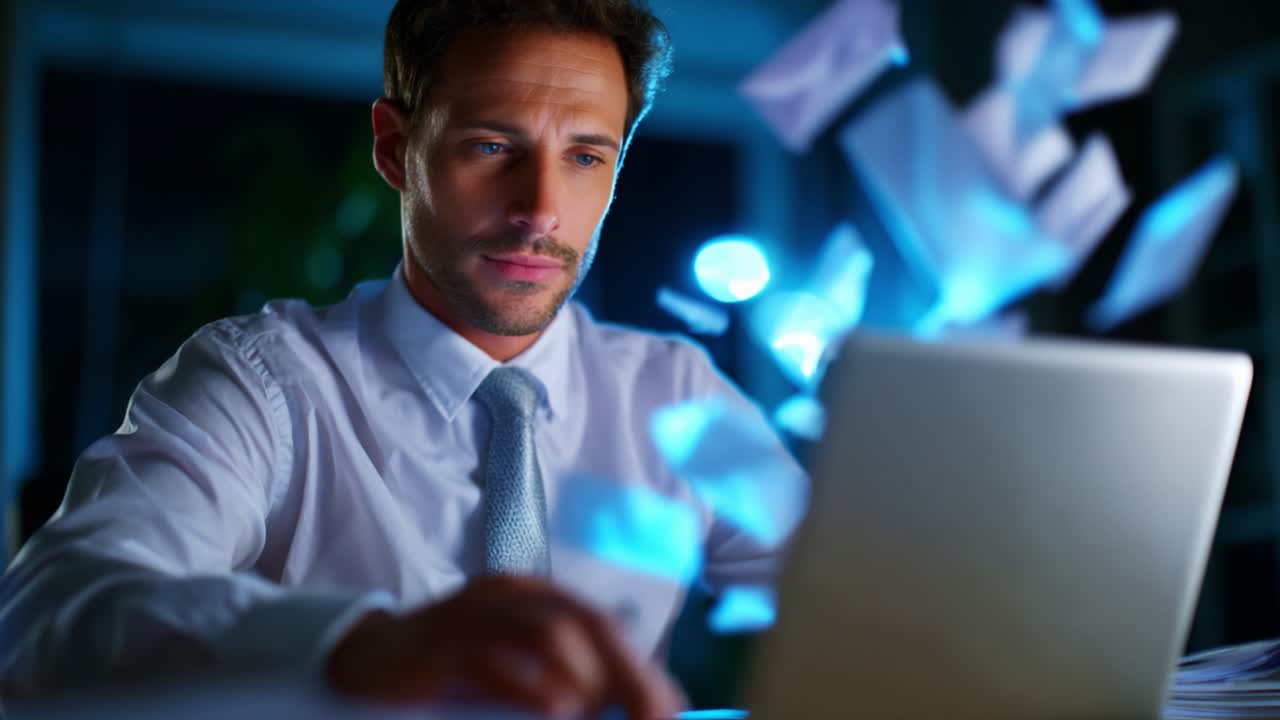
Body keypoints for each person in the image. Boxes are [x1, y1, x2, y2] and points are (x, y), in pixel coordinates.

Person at [0, 1, 807, 717]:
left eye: (586, 158)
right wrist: (362, 645)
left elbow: (864, 604)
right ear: (395, 149)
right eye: (494, 147)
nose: (540, 212)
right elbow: (46, 614)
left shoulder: (680, 397)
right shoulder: (264, 384)